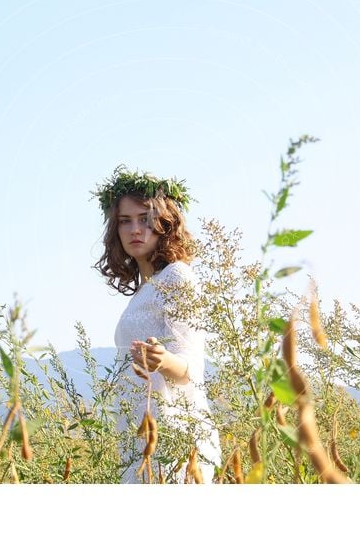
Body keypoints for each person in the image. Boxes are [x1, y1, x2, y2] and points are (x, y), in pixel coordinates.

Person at [91, 165, 221, 483]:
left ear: (165, 224)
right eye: (125, 221)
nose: (135, 229)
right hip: (141, 433)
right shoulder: (145, 290)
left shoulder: (177, 276)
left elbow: (191, 367)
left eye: (145, 219)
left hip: (173, 435)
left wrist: (161, 360)